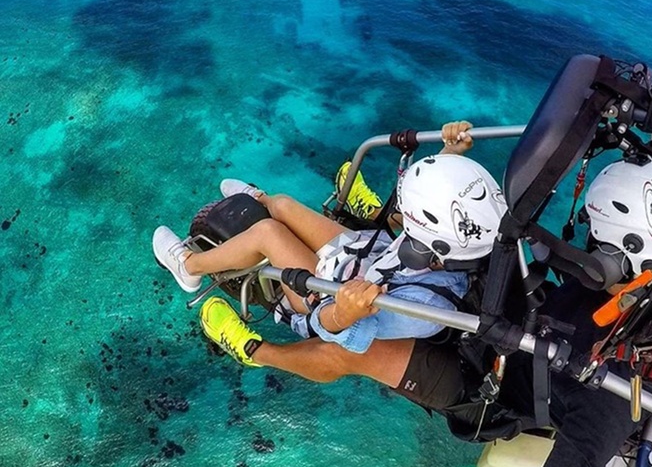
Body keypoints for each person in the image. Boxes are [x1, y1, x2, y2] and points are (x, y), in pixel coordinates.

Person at [196, 154, 652, 467]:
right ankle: (407, 228)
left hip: (481, 386)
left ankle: (259, 351)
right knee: (435, 249)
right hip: (495, 304)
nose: (589, 251)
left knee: (357, 350)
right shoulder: (648, 288)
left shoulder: (614, 398)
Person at [153, 122, 504, 357]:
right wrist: (449, 155)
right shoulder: (464, 241)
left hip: (326, 300)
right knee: (284, 204)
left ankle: (189, 267)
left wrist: (344, 313)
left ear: (428, 242)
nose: (403, 220)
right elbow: (442, 212)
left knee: (268, 233)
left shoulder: (427, 310)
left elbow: (336, 331)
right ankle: (262, 200)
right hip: (366, 259)